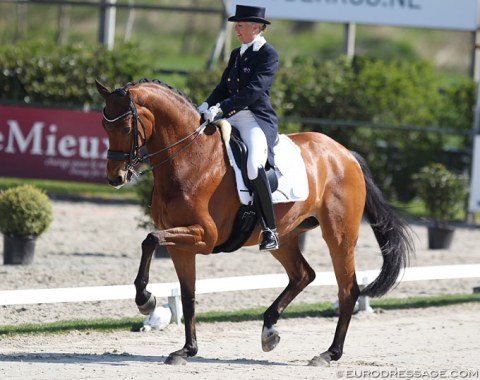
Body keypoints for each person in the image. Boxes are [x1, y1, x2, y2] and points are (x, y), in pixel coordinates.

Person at [198, 4, 280, 251]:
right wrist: (206, 104)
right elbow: (224, 86)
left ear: (257, 27)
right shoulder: (237, 53)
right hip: (229, 116)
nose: (237, 29)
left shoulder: (268, 55)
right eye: (236, 25)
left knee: (254, 166)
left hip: (254, 118)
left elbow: (253, 91)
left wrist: (221, 107)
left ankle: (270, 229)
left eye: (241, 25)